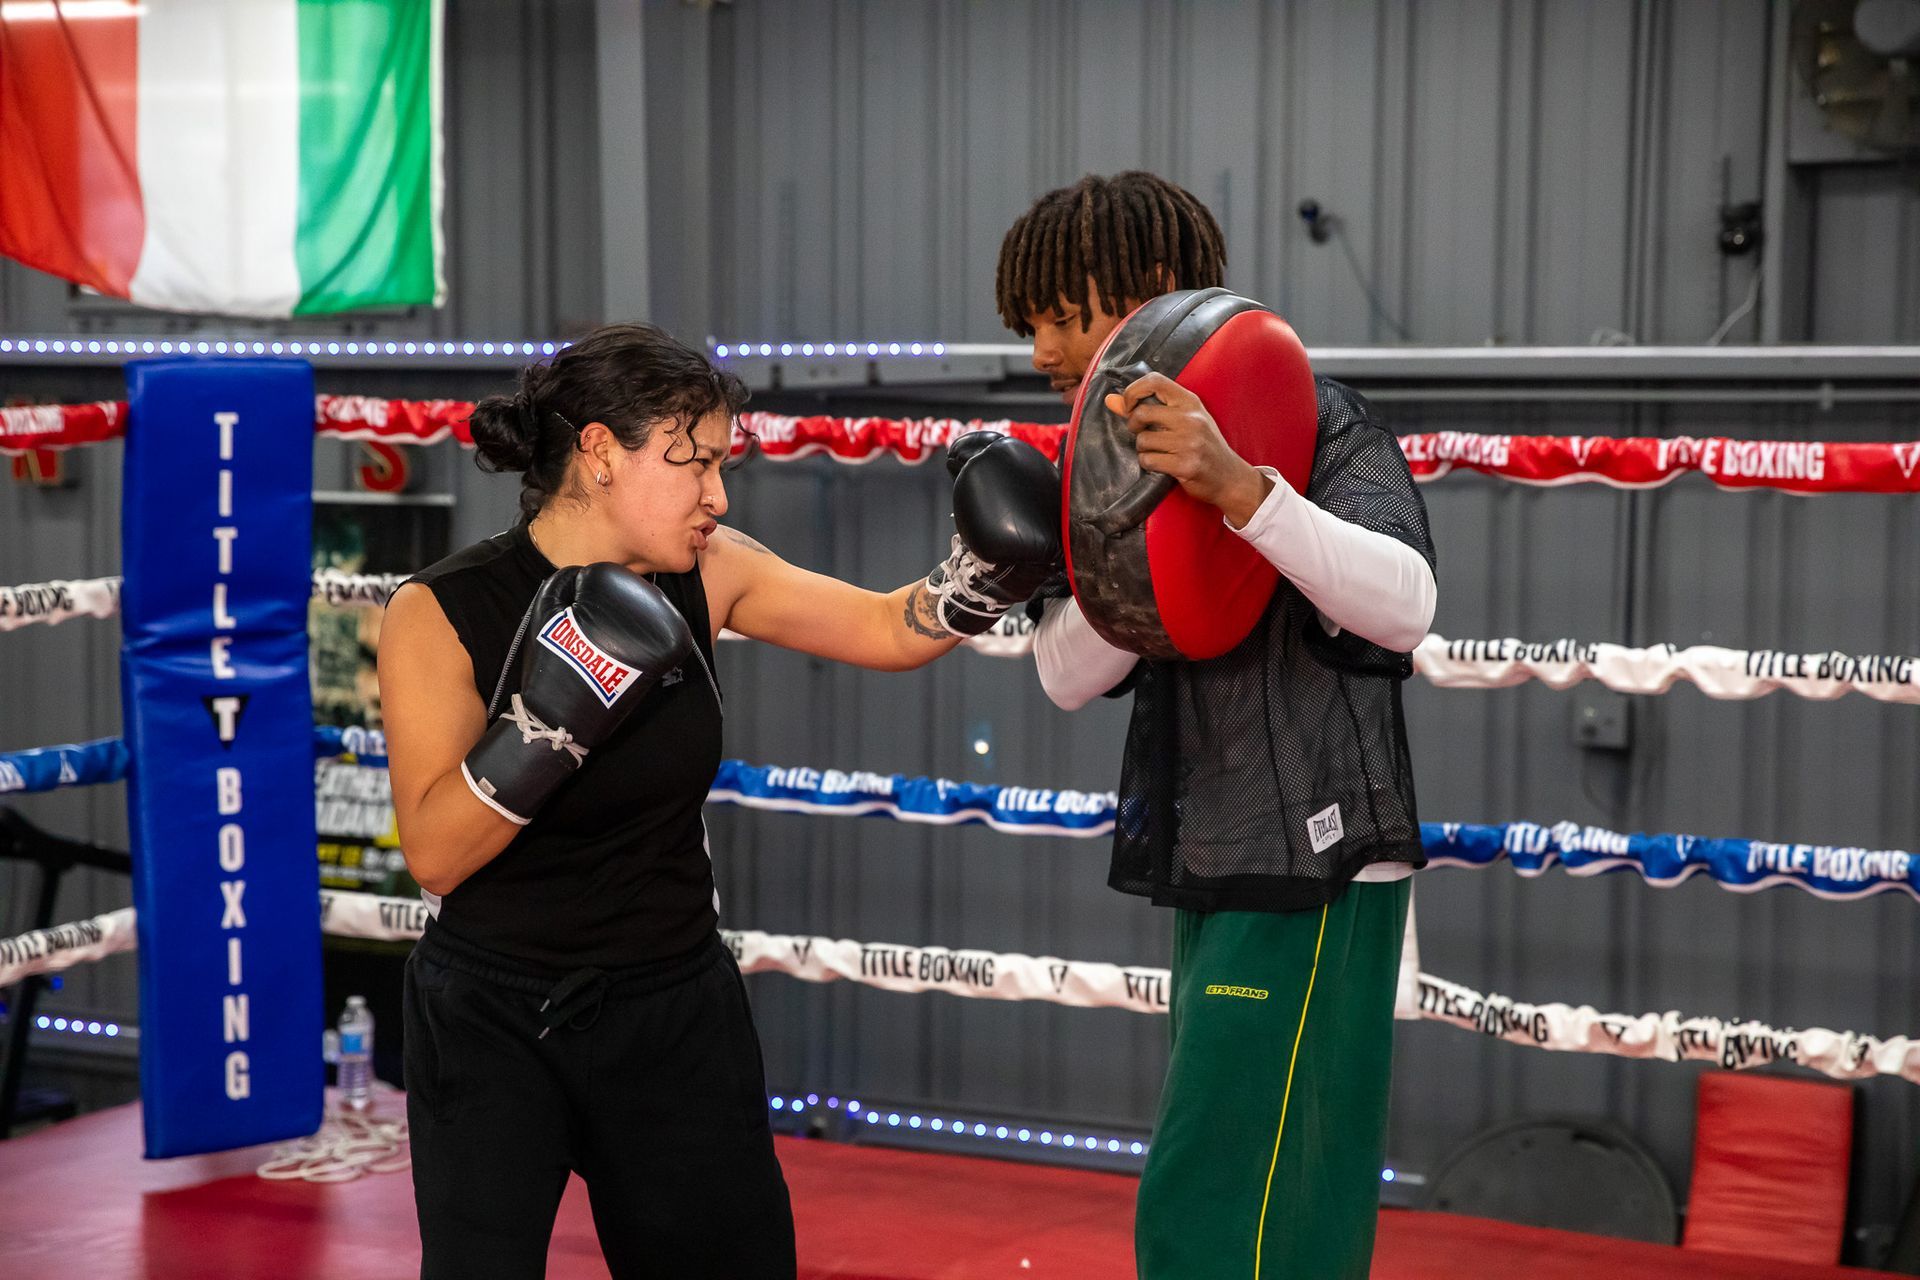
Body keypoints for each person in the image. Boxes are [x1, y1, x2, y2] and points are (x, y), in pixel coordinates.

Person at [378, 323, 1057, 1279]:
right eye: (692, 463)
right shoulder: (442, 610)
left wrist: (977, 581)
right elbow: (437, 853)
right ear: (601, 453)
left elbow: (881, 626)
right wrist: (549, 724)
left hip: (671, 1007)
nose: (718, 494)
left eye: (722, 464)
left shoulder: (713, 568)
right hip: (492, 1021)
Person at [992, 172, 1438, 1278]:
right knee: (1270, 1189)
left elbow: (1408, 601)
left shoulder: (1314, 412)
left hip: (1317, 856)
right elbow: (1063, 673)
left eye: (1061, 312)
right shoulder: (1090, 457)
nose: (1044, 348)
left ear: (1146, 293)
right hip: (1218, 850)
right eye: (1030, 323)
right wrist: (1101, 530)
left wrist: (1245, 490)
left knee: (1222, 1191)